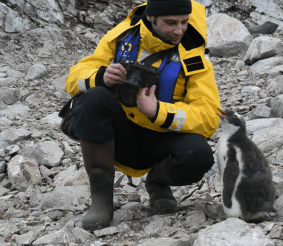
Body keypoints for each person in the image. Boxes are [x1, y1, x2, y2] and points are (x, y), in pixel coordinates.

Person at [65, 0, 221, 231]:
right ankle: (101, 199)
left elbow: (209, 116)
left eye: (184, 22)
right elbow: (73, 78)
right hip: (120, 138)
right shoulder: (120, 37)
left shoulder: (193, 56)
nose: (179, 30)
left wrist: (159, 111)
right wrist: (102, 77)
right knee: (94, 97)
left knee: (199, 154)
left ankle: (158, 181)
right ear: (151, 18)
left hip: (163, 142)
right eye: (170, 23)